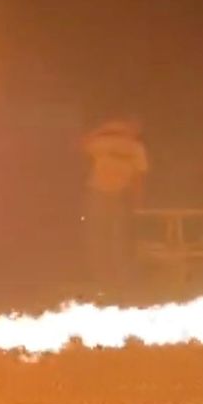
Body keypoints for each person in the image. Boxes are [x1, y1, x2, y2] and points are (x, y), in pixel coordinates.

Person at [82, 117, 149, 288]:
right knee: (98, 235)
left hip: (121, 195)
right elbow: (82, 144)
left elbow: (139, 175)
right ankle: (100, 276)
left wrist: (137, 198)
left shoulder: (136, 148)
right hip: (98, 192)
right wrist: (104, 128)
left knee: (119, 236)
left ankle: (121, 277)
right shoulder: (105, 142)